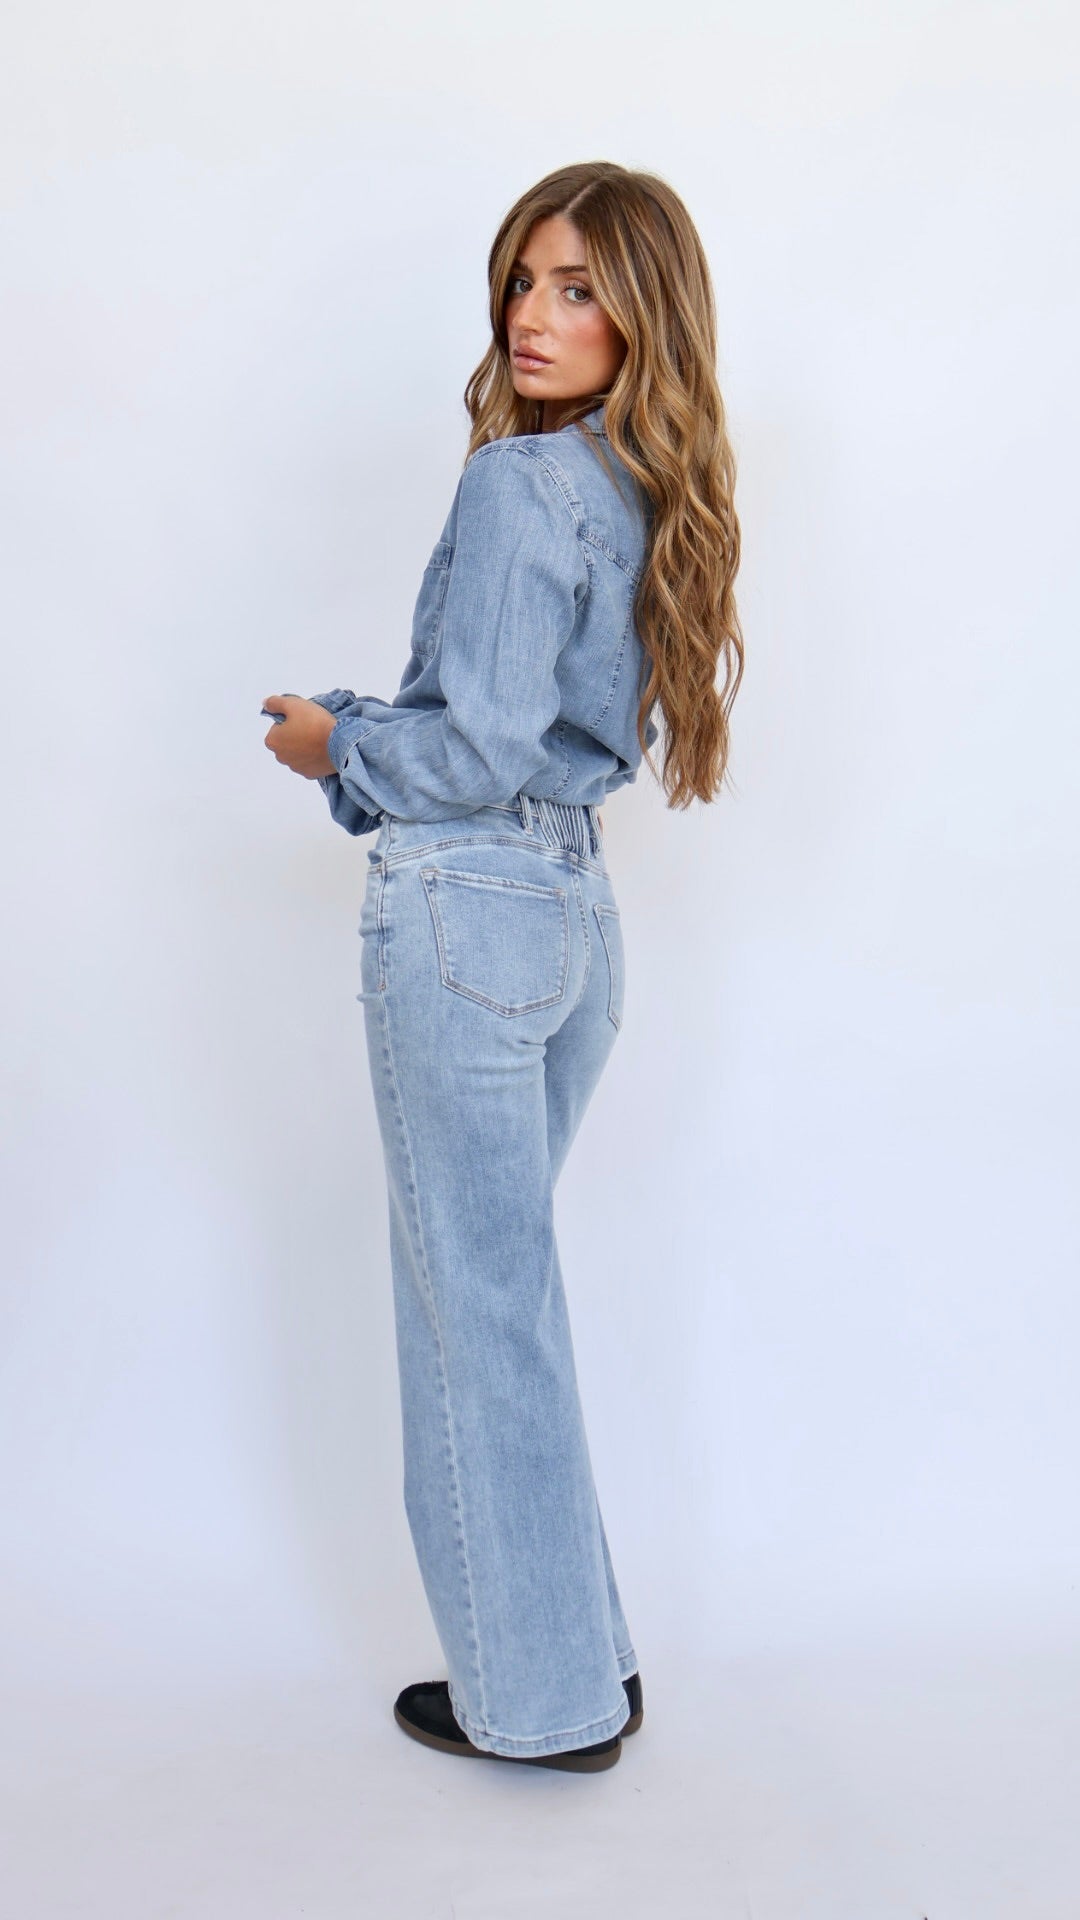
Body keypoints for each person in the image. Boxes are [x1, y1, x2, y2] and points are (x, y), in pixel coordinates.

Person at [261, 161, 744, 1773]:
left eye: (579, 289)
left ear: (643, 316)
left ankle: (540, 1708)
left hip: (470, 909)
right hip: (574, 921)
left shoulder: (521, 485)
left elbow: (470, 753)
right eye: (524, 281)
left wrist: (338, 745)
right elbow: (547, 739)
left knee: (475, 1313)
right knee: (507, 1299)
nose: (535, 316)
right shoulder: (645, 487)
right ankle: (583, 1660)